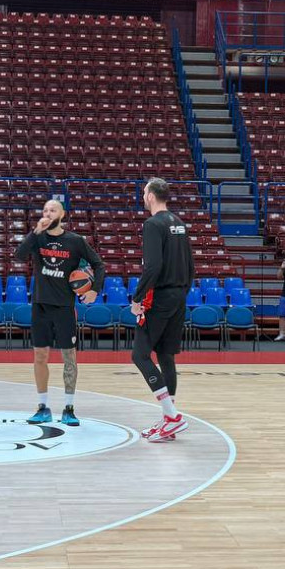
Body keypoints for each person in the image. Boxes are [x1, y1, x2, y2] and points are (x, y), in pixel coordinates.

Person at [16, 198, 106, 427]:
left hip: (65, 307)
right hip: (40, 305)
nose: (47, 213)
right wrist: (35, 232)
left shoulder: (75, 241)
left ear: (62, 214)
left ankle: (69, 408)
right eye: (45, 209)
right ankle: (42, 406)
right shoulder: (38, 238)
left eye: (52, 209)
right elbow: (19, 255)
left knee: (69, 358)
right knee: (40, 356)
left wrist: (95, 290)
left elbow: (99, 264)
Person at [130, 178, 195, 444]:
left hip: (161, 296)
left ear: (152, 196)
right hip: (179, 294)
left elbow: (152, 267)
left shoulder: (153, 224)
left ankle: (172, 415)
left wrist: (137, 298)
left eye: (144, 192)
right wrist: (182, 292)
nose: (143, 196)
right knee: (166, 355)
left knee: (140, 354)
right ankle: (169, 420)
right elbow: (190, 266)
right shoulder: (179, 223)